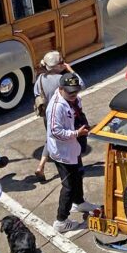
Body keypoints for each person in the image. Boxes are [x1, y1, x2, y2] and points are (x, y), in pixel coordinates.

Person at [46, 73, 98, 233]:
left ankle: (79, 202)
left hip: (74, 147)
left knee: (78, 175)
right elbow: (55, 132)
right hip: (63, 153)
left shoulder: (73, 99)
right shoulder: (56, 107)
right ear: (60, 89)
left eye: (75, 91)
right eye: (70, 92)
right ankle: (61, 220)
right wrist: (76, 133)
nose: (74, 94)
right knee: (68, 186)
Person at [33, 52, 83, 181]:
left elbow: (36, 93)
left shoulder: (40, 79)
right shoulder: (61, 79)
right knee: (64, 138)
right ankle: (69, 166)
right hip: (62, 113)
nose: (64, 63)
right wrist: (70, 69)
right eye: (61, 62)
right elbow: (81, 84)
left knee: (49, 137)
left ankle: (41, 165)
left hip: (47, 114)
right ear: (56, 66)